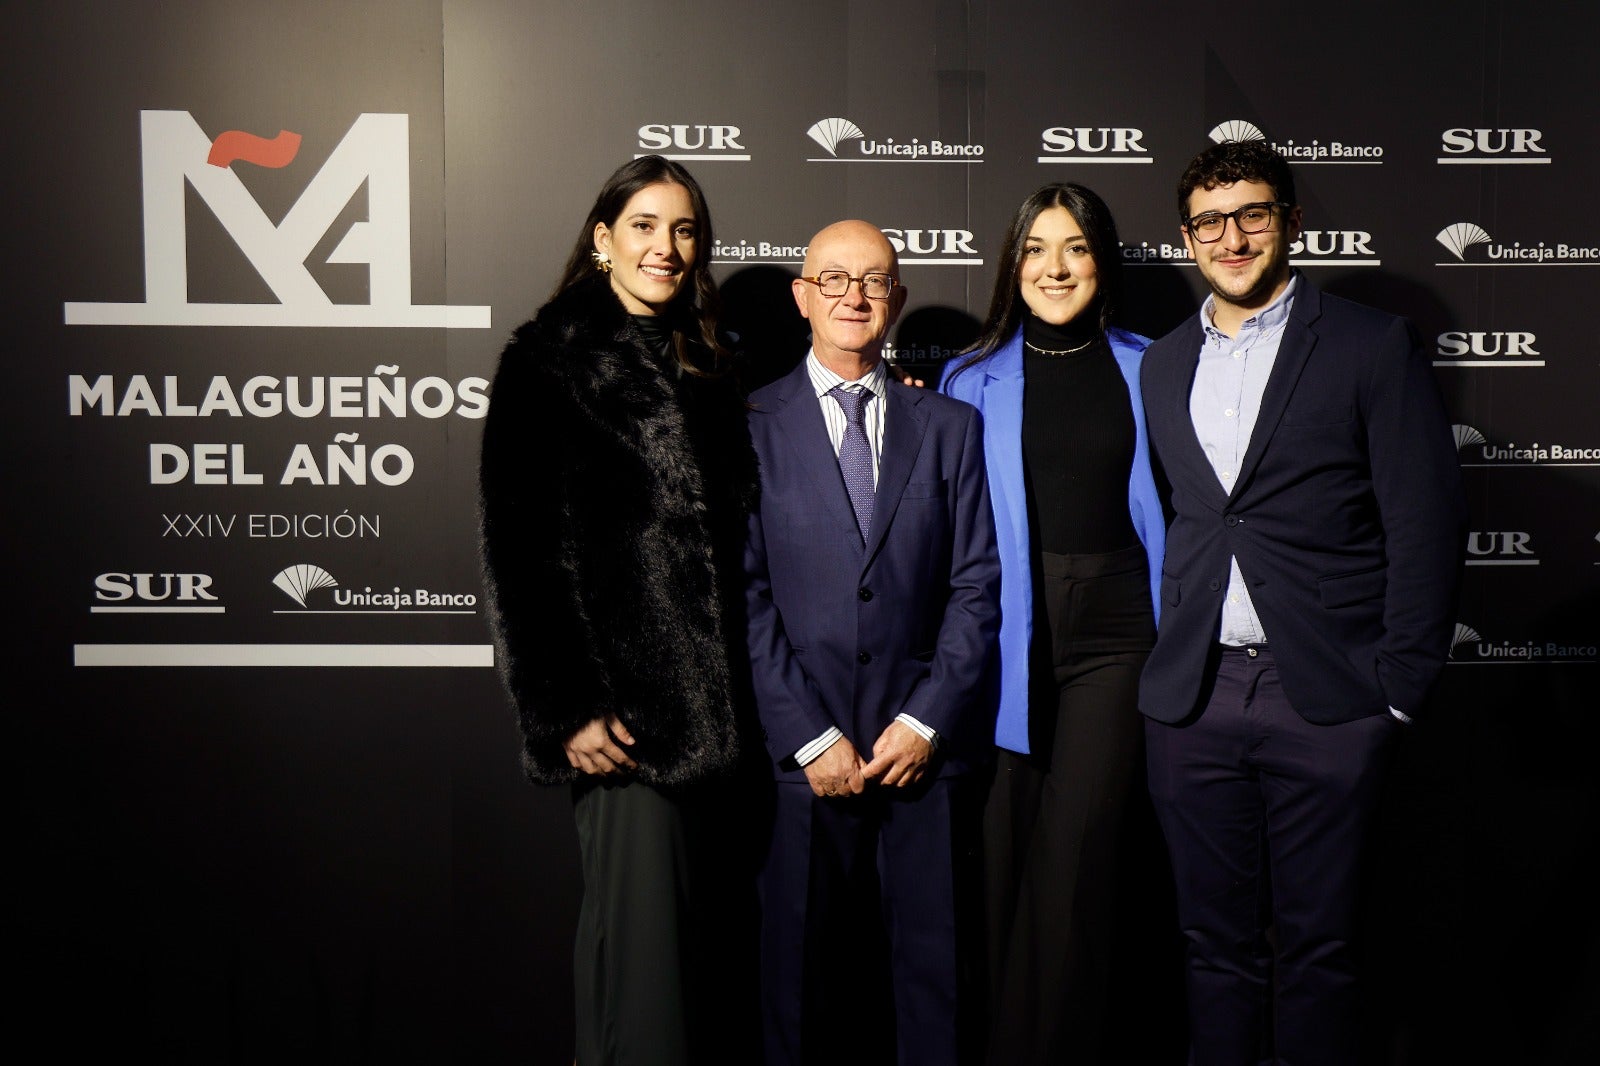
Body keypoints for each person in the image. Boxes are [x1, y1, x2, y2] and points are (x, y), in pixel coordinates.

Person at [1138, 140, 1466, 1065]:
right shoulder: (1162, 363)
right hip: (1193, 700)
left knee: (1320, 952)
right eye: (1210, 222)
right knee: (1211, 947)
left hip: (1327, 695)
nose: (1232, 238)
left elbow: (1425, 521)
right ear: (1186, 238)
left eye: (1252, 215)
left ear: (1289, 221)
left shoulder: (1368, 342)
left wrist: (1397, 691)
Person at [478, 155, 759, 1066]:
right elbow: (520, 550)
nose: (664, 247)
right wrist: (566, 705)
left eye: (683, 230)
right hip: (629, 722)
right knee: (642, 977)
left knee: (689, 967)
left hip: (726, 724)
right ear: (603, 240)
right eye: (643, 226)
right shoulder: (547, 360)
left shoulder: (709, 365)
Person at [744, 219, 1000, 1066]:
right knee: (797, 992)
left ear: (896, 297)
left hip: (918, 756)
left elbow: (976, 586)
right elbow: (742, 597)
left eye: (874, 280)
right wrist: (808, 735)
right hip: (801, 761)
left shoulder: (951, 426)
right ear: (802, 296)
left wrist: (925, 723)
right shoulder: (748, 424)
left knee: (934, 990)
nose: (854, 296)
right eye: (834, 279)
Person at [940, 183, 1171, 1064]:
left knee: (1079, 864)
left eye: (1075, 247)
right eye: (1036, 249)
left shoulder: (1154, 367)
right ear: (1013, 263)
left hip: (1119, 635)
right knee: (1001, 860)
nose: (1056, 268)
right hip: (1008, 635)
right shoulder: (967, 379)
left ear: (1101, 259)